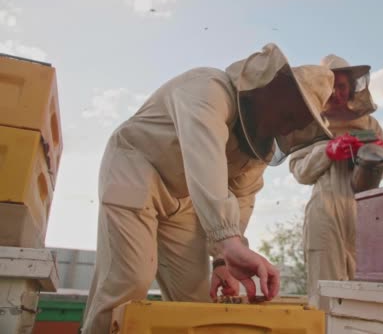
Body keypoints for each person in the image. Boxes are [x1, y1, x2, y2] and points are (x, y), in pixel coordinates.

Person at [81, 43, 335, 333]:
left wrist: (223, 260)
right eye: (288, 115)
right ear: (273, 88)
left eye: (296, 126)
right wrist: (228, 240)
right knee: (129, 281)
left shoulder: (257, 151)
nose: (287, 130)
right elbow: (204, 156)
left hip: (184, 200)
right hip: (135, 168)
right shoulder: (206, 87)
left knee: (196, 299)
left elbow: (241, 199)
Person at [289, 54, 383, 311]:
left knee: (365, 292)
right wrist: (327, 151)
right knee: (324, 293)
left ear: (352, 88)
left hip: (363, 209)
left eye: (342, 86)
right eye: (331, 85)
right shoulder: (310, 123)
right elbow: (300, 171)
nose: (336, 92)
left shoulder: (370, 123)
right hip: (325, 208)